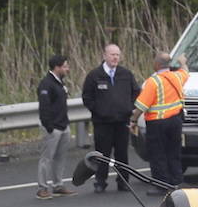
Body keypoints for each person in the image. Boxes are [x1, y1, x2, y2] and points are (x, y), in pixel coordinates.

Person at [81, 44, 141, 193]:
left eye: (117, 55)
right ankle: (100, 182)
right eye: (112, 54)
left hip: (122, 122)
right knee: (102, 154)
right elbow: (87, 97)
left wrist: (129, 108)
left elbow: (136, 92)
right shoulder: (95, 75)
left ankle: (123, 182)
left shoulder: (125, 74)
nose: (115, 58)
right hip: (102, 123)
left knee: (122, 153)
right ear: (105, 56)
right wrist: (99, 111)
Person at [130, 52, 190, 197]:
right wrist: (182, 62)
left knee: (158, 154)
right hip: (175, 121)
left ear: (156, 65)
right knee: (174, 152)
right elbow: (186, 72)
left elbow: (142, 106)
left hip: (157, 123)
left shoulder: (153, 82)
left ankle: (161, 184)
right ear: (168, 65)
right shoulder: (176, 76)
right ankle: (177, 181)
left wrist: (132, 121)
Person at [36, 54, 75, 200]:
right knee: (47, 158)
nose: (67, 69)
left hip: (63, 125)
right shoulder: (46, 84)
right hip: (52, 127)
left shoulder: (60, 83)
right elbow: (44, 107)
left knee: (60, 157)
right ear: (57, 67)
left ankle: (58, 185)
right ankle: (42, 188)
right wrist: (49, 126)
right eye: (65, 66)